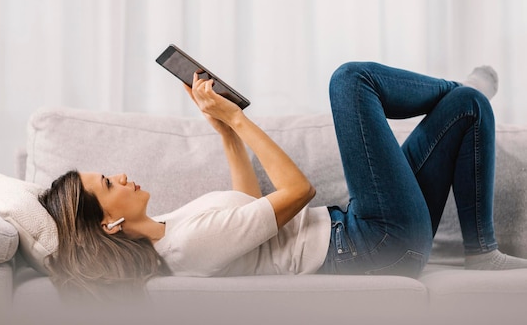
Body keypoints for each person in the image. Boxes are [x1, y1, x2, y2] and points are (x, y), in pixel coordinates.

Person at [39, 62, 527, 299]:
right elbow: (297, 192)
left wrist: (226, 129)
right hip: (373, 244)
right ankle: (458, 89)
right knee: (350, 81)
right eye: (107, 183)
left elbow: (244, 205)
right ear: (109, 224)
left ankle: (480, 249)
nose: (120, 175)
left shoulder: (169, 229)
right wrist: (240, 118)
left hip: (368, 233)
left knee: (466, 110)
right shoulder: (185, 247)